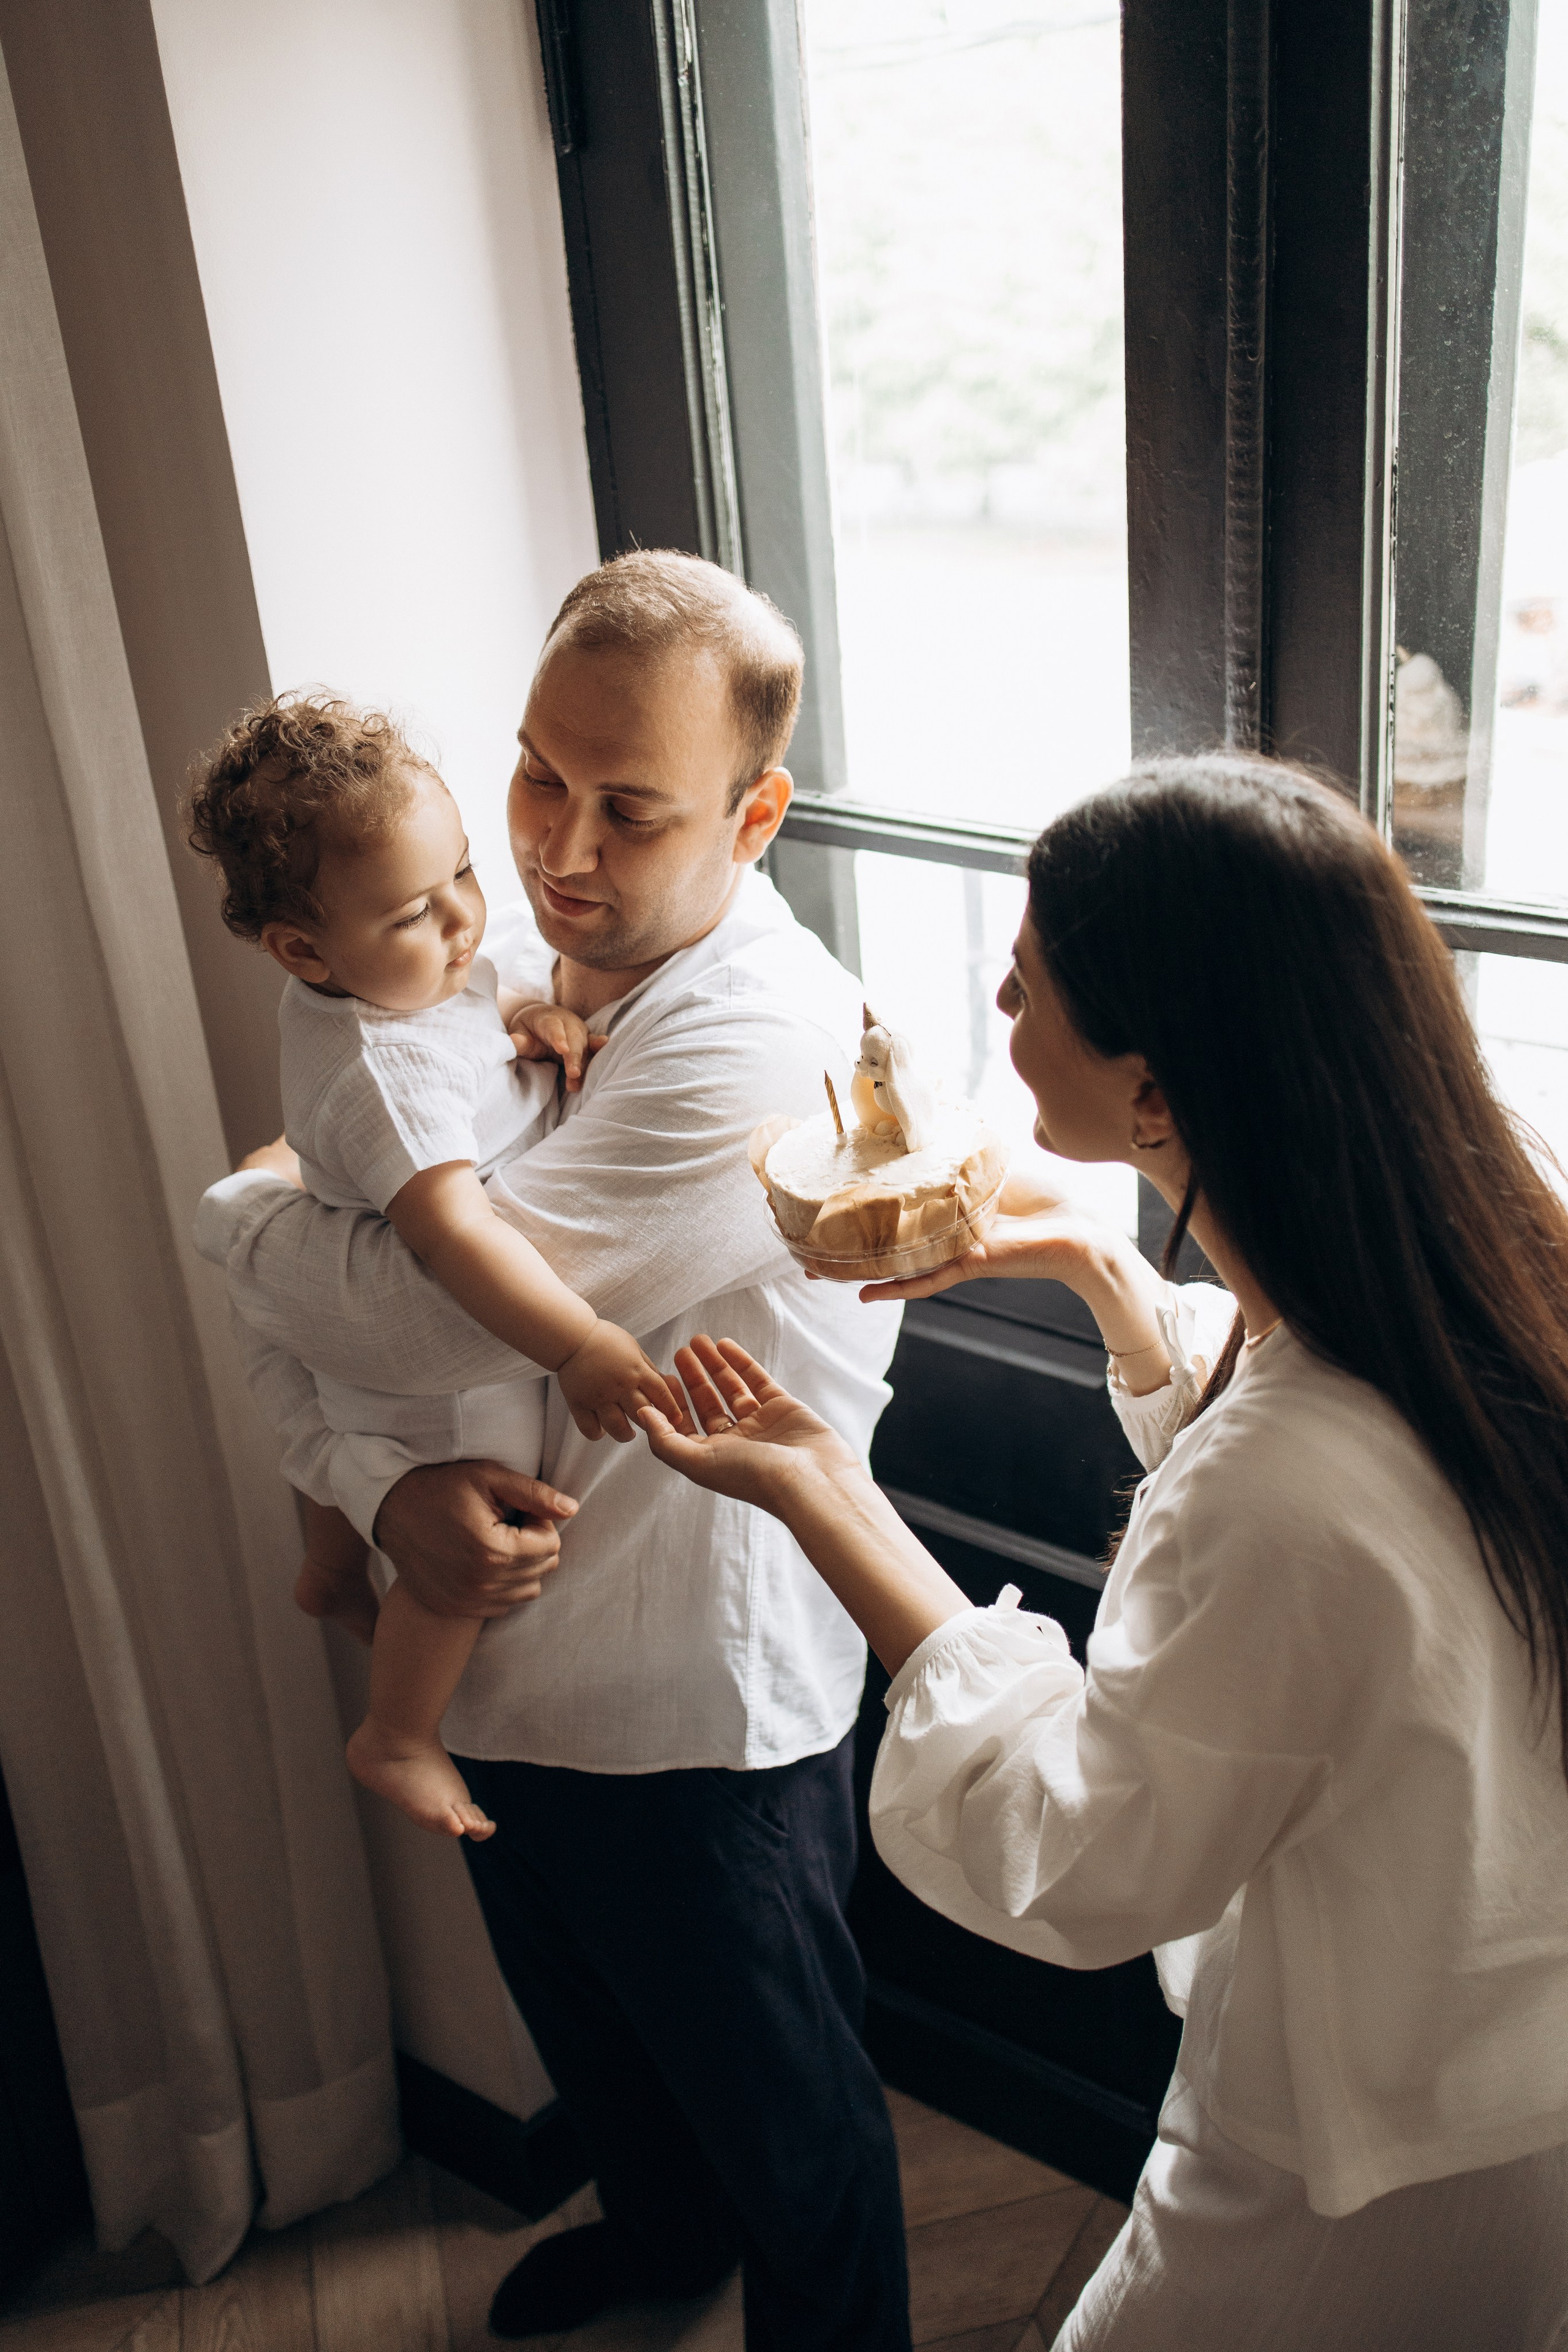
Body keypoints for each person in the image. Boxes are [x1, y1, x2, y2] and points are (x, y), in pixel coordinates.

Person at [638, 756, 1568, 2351]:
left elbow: (1083, 1850)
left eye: (1035, 975)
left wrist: (829, 1495)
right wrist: (1095, 1260)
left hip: (1349, 2174)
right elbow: (1334, 1526)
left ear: (1159, 1091)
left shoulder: (1283, 1488)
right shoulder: (1505, 1256)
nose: (999, 991)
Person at [194, 553, 911, 2347]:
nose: (556, 851)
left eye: (630, 808)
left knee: (793, 2122)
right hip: (505, 1653)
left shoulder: (760, 1032)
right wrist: (378, 1490)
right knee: (595, 2039)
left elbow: (422, 1317)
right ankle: (664, 2243)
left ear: (755, 816)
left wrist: (238, 1212)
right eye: (537, 774)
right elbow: (399, 1341)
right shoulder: (515, 968)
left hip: (692, 1697)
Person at [185, 694, 685, 1842]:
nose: (465, 919)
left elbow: (464, 1000)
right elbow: (453, 1235)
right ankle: (397, 1733)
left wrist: (516, 1008)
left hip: (335, 1306)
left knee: (343, 1435)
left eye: (462, 872)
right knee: (471, 1543)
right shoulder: (379, 1070)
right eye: (420, 908)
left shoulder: (397, 970)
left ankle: (325, 1564)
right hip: (437, 1398)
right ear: (303, 950)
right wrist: (579, 1342)